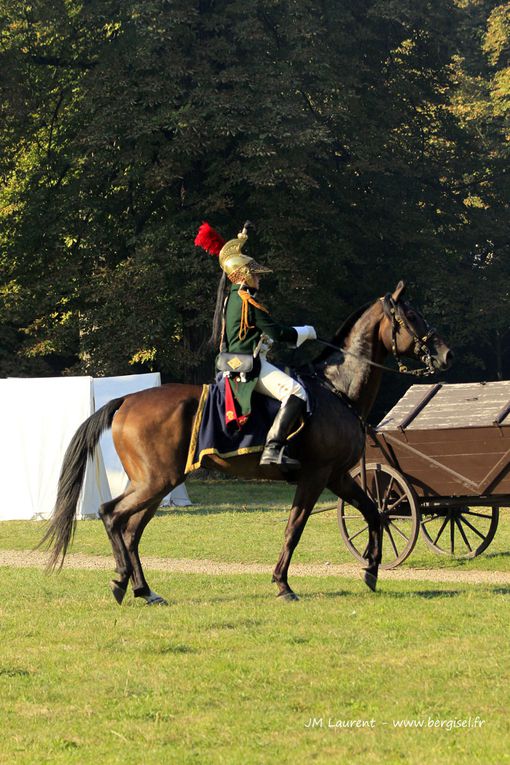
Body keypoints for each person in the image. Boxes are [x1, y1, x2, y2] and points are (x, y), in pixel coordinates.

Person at [195, 221, 317, 470]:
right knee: (297, 393)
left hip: (237, 364)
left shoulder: (231, 299)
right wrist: (305, 332)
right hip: (248, 369)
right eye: (256, 274)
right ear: (244, 275)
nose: (259, 278)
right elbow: (278, 332)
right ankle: (273, 449)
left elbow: (249, 335)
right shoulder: (247, 301)